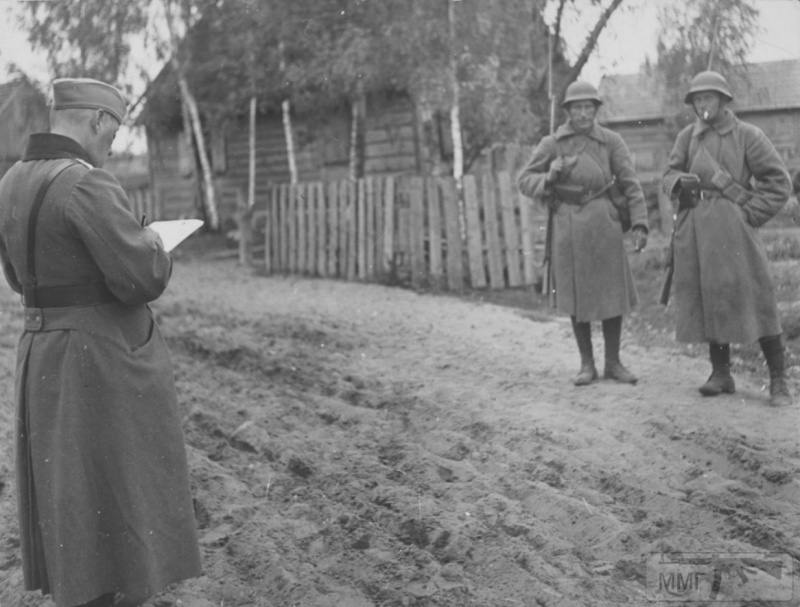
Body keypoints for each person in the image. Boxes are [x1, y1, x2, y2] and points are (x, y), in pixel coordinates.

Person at [0, 78, 201, 607]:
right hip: (101, 358)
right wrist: (154, 241)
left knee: (71, 494)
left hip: (41, 354)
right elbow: (143, 278)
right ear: (96, 120)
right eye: (114, 128)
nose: (113, 143)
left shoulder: (11, 180)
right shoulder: (88, 184)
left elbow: (20, 281)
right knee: (122, 493)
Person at [663, 70, 793, 407]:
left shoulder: (748, 135)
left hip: (735, 231)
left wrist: (751, 214)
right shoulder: (688, 138)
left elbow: (778, 182)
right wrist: (678, 183)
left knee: (756, 297)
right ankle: (721, 373)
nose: (703, 105)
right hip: (696, 230)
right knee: (710, 296)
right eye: (697, 99)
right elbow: (669, 173)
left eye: (709, 98)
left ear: (723, 101)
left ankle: (778, 379)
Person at [518, 81, 649, 386]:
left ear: (595, 110)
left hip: (605, 223)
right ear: (567, 111)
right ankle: (587, 364)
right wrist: (549, 177)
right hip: (568, 225)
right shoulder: (552, 143)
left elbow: (630, 183)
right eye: (577, 108)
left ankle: (614, 363)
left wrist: (640, 223)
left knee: (611, 294)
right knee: (577, 296)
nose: (583, 113)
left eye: (588, 107)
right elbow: (524, 179)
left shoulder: (611, 142)